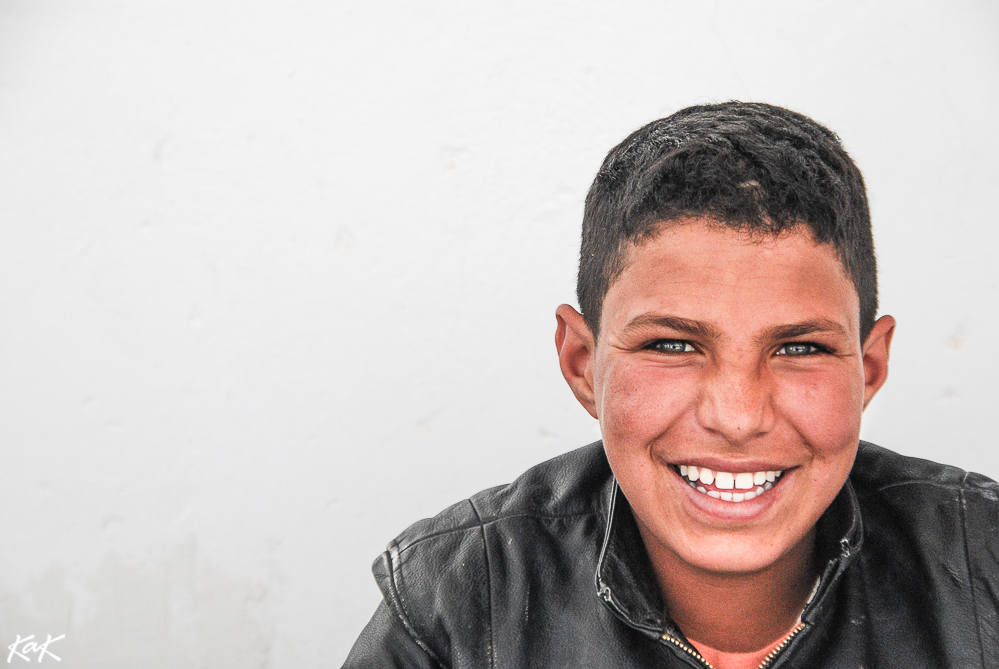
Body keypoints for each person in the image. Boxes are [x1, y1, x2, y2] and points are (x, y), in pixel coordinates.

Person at [342, 102, 999, 668]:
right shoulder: (460, 602)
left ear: (869, 368)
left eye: (798, 347)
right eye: (671, 345)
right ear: (580, 363)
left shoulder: (983, 567)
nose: (737, 416)